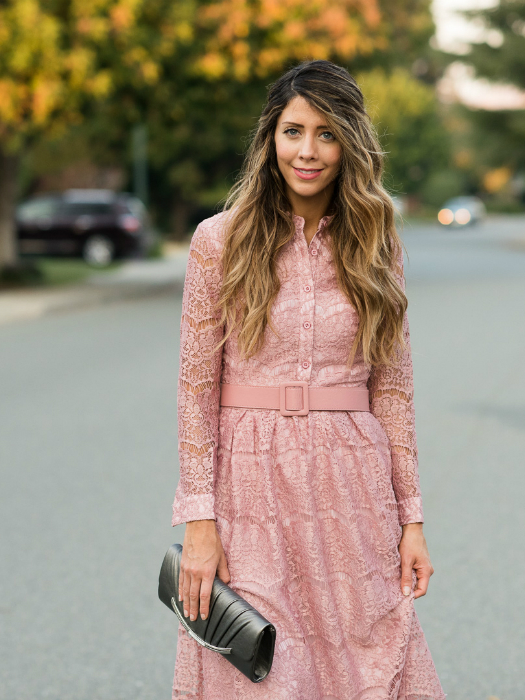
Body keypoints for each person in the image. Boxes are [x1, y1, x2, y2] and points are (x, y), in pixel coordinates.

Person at [171, 59, 445, 700]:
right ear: (271, 138)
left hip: (353, 482)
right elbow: (194, 388)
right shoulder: (219, 241)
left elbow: (395, 389)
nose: (308, 150)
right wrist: (199, 523)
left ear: (349, 144)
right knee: (261, 666)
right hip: (249, 488)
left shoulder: (376, 242)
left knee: (362, 659)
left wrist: (411, 519)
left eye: (326, 134)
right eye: (294, 130)